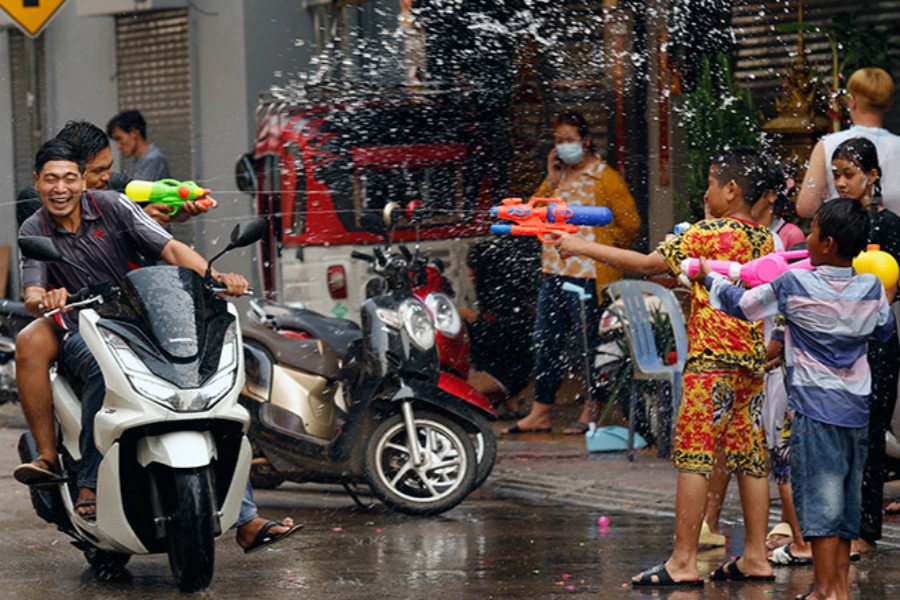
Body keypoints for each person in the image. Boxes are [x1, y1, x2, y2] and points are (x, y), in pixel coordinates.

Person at [13, 138, 298, 552]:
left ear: (82, 181)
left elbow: (169, 247)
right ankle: (89, 484)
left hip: (146, 321)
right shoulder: (33, 228)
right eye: (51, 180)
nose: (61, 188)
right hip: (85, 327)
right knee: (99, 370)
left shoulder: (112, 205)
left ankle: (246, 517)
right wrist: (46, 298)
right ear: (37, 183)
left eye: (70, 178)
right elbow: (33, 291)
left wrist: (214, 276)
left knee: (202, 395)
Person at [554, 148, 774, 586]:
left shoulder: (704, 233)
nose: (707, 191)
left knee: (695, 456)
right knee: (750, 456)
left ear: (731, 190)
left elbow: (651, 263)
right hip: (750, 362)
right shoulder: (764, 241)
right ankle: (755, 556)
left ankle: (683, 561)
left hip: (709, 363)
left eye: (712, 182)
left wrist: (582, 246)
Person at [697, 197, 895, 600]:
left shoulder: (795, 283)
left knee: (821, 505)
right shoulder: (871, 286)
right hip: (857, 411)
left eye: (815, 230)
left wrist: (707, 278)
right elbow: (884, 331)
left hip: (815, 412)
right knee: (845, 501)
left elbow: (743, 305)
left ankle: (824, 591)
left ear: (827, 243)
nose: (808, 236)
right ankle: (838, 588)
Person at [503, 111, 641, 435]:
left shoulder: (605, 178)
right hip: (554, 273)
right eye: (558, 141)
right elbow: (532, 215)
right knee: (546, 341)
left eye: (569, 140)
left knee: (591, 346)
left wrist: (609, 250)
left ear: (586, 140)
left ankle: (591, 410)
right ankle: (541, 411)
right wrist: (551, 181)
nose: (564, 146)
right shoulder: (558, 178)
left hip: (591, 278)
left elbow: (630, 224)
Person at [830, 137, 900, 557]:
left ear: (872, 176)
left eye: (849, 174)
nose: (840, 182)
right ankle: (833, 523)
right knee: (837, 436)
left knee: (872, 437)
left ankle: (866, 530)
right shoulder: (832, 220)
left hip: (875, 345)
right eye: (836, 174)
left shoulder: (889, 226)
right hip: (835, 343)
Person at [796, 67, 900, 218]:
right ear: (889, 104)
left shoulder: (828, 144)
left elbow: (806, 207)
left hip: (843, 238)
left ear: (852, 101)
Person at [461, 238, 539, 418]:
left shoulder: (506, 301)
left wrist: (473, 319)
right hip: (500, 368)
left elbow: (502, 338)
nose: (469, 273)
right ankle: (507, 400)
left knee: (454, 393)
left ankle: (506, 395)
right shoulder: (493, 296)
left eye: (471, 267)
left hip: (507, 372)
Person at [106, 109, 172, 181]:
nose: (118, 146)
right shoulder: (141, 159)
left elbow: (138, 190)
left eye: (119, 139)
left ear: (134, 132)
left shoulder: (152, 159)